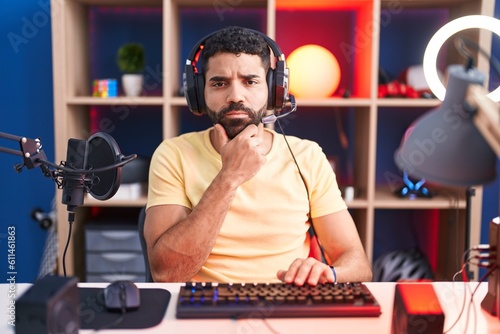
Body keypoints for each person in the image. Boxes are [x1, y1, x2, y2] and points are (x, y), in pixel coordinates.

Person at [144, 26, 372, 285]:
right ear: (199, 93)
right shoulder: (173, 154)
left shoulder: (307, 156)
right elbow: (166, 274)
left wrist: (329, 273)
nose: (235, 96)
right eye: (219, 83)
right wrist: (230, 176)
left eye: (250, 81)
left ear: (275, 90)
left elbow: (358, 265)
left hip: (284, 305)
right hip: (203, 305)